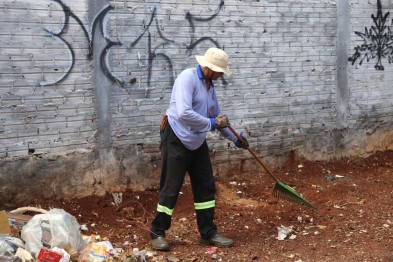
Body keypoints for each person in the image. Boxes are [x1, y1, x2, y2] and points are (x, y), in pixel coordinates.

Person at [150, 47, 249, 251]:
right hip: (176, 136)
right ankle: (157, 232)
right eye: (220, 71)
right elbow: (184, 113)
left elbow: (218, 118)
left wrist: (236, 138)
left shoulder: (209, 85)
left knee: (205, 186)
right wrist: (212, 124)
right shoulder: (187, 78)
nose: (221, 75)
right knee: (171, 188)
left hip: (196, 140)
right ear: (210, 68)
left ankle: (208, 233)